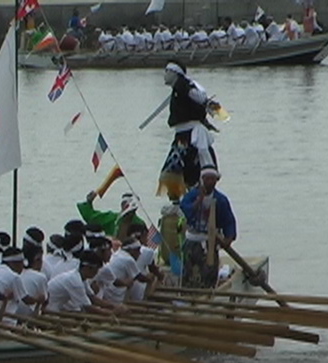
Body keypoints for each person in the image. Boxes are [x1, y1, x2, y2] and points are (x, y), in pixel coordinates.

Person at [158, 59, 218, 203]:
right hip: (181, 137)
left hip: (191, 136)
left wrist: (207, 104)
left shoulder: (185, 86)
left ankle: (196, 200)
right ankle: (177, 204)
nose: (164, 75)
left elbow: (201, 98)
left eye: (167, 71)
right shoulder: (178, 90)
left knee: (190, 171)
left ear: (175, 73)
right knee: (171, 173)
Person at [180, 165, 236, 288]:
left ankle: (209, 292)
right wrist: (198, 201)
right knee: (188, 272)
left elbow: (228, 220)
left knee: (209, 273)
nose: (210, 182)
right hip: (192, 240)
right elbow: (185, 208)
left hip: (209, 241)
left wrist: (229, 238)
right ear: (202, 179)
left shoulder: (221, 199)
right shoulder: (192, 195)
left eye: (212, 179)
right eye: (207, 179)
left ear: (216, 180)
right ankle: (187, 293)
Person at [47, 250, 123, 314]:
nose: (97, 273)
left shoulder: (82, 278)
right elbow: (87, 307)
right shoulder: (74, 281)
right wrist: (112, 312)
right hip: (49, 309)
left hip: (58, 307)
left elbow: (92, 298)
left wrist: (114, 306)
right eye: (96, 270)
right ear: (88, 268)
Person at [76, 191, 146, 239]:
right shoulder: (112, 218)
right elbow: (92, 219)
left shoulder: (112, 218)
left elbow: (91, 217)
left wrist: (88, 202)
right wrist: (89, 202)